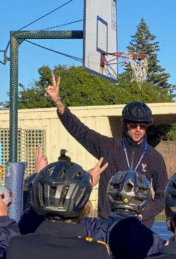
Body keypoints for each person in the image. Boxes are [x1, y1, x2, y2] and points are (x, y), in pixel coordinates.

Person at [45, 72, 168, 226]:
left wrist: (143, 213)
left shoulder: (154, 157)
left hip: (140, 226)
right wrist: (58, 103)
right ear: (125, 125)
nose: (138, 129)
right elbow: (81, 132)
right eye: (133, 125)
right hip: (109, 224)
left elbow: (162, 196)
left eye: (142, 126)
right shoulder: (109, 147)